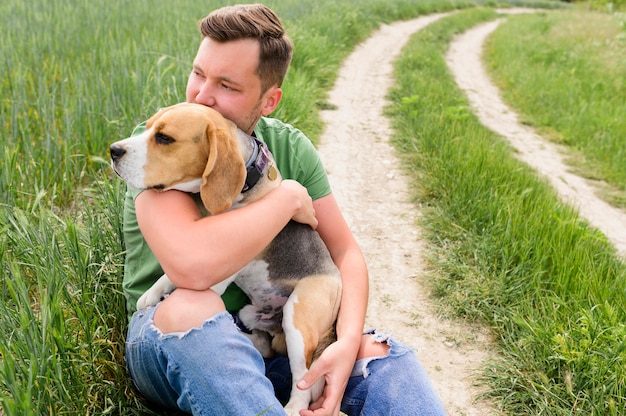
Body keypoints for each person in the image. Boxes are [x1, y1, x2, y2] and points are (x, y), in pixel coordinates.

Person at [122, 4, 446, 415]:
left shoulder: (291, 148)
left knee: (381, 356)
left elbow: (345, 254)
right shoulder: (163, 143)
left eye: (227, 85)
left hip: (273, 344)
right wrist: (286, 198)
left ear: (269, 99)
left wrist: (346, 345)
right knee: (194, 305)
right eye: (198, 73)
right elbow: (192, 268)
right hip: (173, 342)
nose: (203, 95)